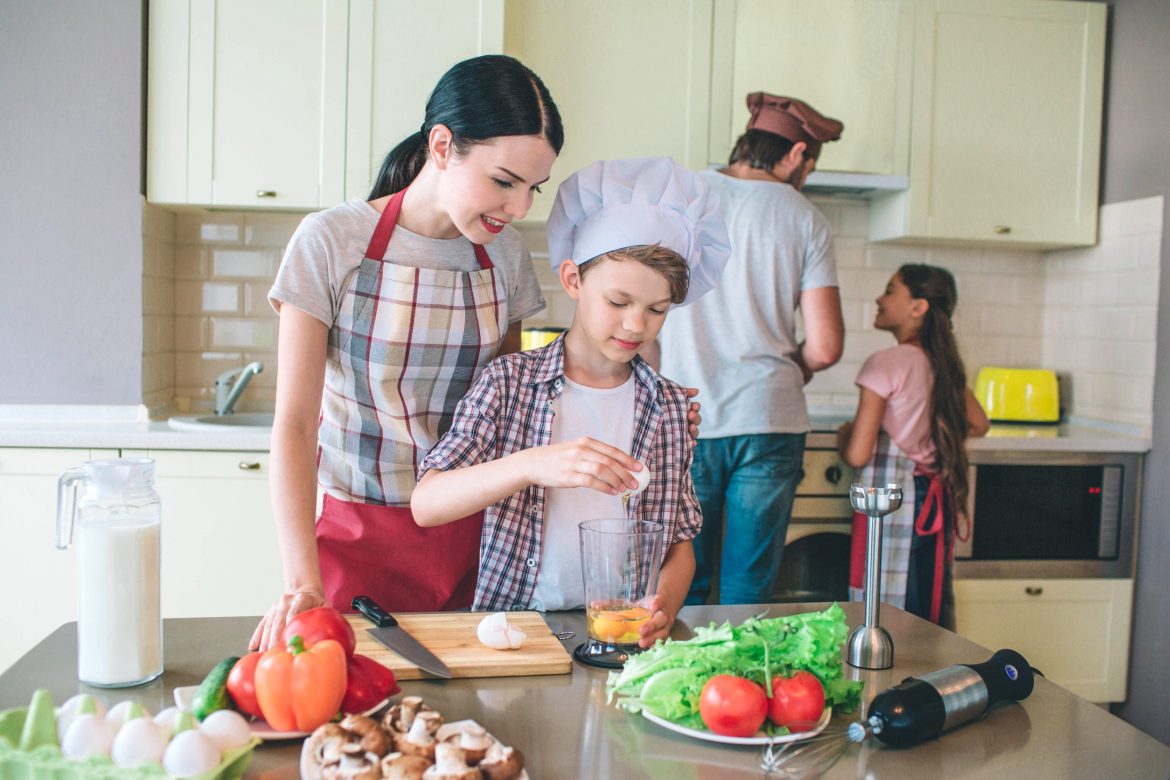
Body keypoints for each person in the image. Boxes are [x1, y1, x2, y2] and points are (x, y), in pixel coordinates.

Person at [250, 55, 564, 651]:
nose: (521, 208)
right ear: (442, 146)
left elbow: (506, 412)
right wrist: (302, 584)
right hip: (355, 542)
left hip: (474, 542)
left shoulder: (507, 257)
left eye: (533, 188)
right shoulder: (331, 241)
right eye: (504, 181)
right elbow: (293, 427)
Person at [411, 157, 731, 647]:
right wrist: (534, 463)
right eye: (618, 302)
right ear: (574, 280)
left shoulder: (667, 407)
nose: (635, 326)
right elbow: (427, 503)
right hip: (516, 629)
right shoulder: (510, 383)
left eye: (656, 310)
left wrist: (662, 607)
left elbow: (679, 542)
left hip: (620, 633)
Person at [655, 93, 846, 606]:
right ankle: (745, 685)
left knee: (681, 584)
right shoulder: (805, 218)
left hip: (688, 415)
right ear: (796, 153)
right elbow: (826, 347)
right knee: (749, 587)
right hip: (768, 417)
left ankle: (682, 686)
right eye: (809, 165)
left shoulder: (683, 198)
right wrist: (786, 371)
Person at [836, 264, 990, 628]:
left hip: (894, 501)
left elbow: (858, 452)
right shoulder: (943, 364)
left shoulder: (886, 362)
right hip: (930, 495)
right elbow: (980, 423)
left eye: (890, 290)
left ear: (918, 307)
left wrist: (846, 435)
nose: (879, 298)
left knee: (885, 609)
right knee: (923, 604)